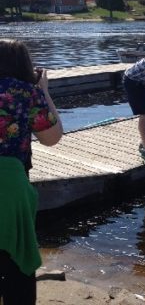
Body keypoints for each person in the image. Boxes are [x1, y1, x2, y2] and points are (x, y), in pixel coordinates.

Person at [0, 39, 63, 305]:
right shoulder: (26, 93)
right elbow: (52, 137)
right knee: (17, 258)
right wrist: (43, 91)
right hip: (10, 186)